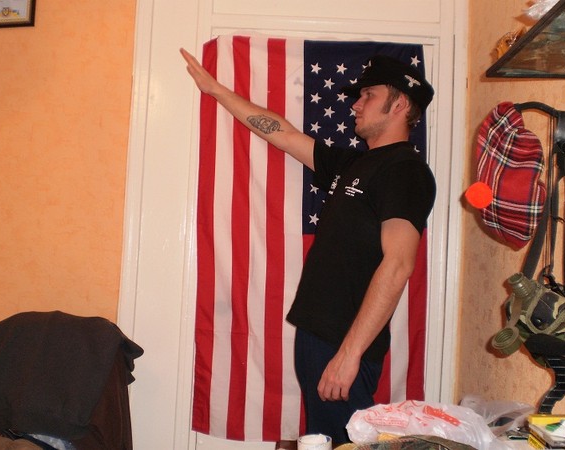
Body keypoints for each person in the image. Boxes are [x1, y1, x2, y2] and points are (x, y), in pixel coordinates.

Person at [180, 48, 436, 444]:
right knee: (324, 441)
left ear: (400, 104)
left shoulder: (405, 171)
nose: (356, 105)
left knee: (347, 442)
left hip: (344, 341)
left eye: (368, 95)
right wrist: (216, 90)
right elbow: (281, 133)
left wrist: (349, 354)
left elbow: (399, 264)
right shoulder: (353, 165)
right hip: (320, 336)